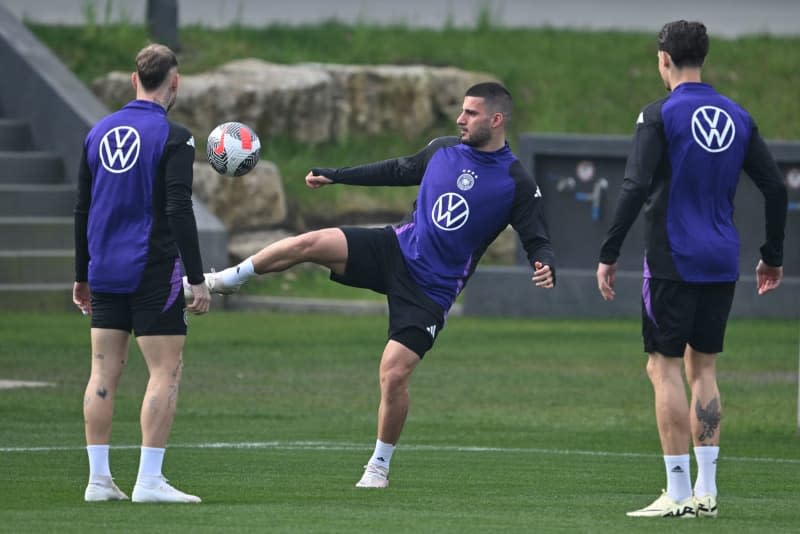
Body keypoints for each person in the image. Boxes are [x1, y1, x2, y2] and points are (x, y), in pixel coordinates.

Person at [190, 81, 556, 488]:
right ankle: (224, 280)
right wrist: (336, 176)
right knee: (310, 242)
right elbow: (398, 169)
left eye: (470, 113)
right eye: (461, 111)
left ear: (496, 119)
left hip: (431, 289)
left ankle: (378, 466)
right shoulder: (443, 150)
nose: (460, 118)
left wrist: (544, 263)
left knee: (393, 374)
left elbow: (536, 236)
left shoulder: (516, 181)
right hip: (395, 248)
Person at [596, 20, 787, 518]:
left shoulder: (659, 114)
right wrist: (773, 254)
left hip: (672, 258)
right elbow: (777, 188)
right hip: (723, 259)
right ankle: (708, 492)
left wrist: (609, 250)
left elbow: (635, 186)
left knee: (662, 367)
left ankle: (678, 493)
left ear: (663, 59)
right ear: (704, 58)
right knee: (702, 367)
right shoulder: (738, 116)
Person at [73, 43, 211, 504]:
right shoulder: (175, 137)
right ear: (174, 83)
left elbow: (82, 208)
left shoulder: (97, 133)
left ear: (135, 80)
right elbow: (177, 207)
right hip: (152, 270)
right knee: (165, 370)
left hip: (105, 267)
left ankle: (98, 481)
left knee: (102, 373)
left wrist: (81, 273)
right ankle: (149, 481)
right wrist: (196, 277)